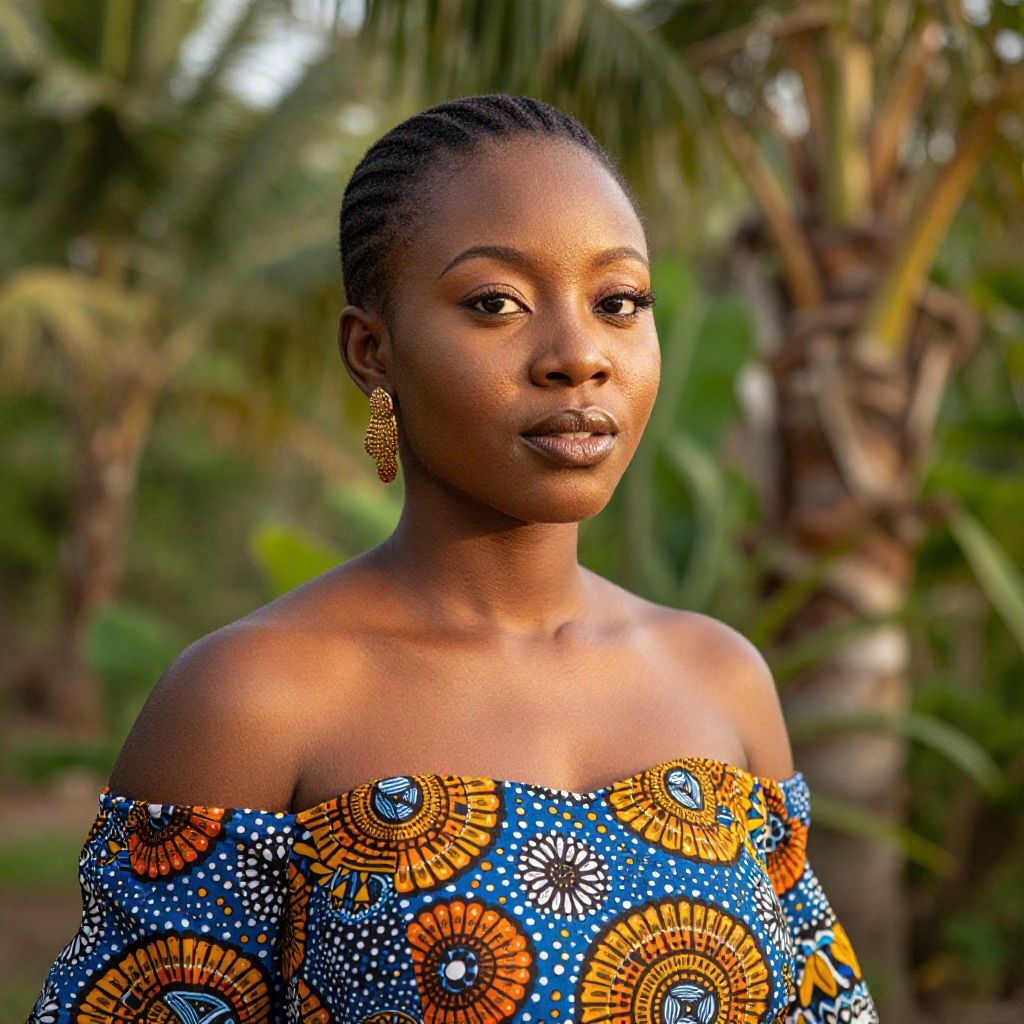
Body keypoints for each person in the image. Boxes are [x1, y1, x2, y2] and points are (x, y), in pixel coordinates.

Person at [27, 93, 879, 1024]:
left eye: (618, 302)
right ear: (372, 351)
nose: (577, 356)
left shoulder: (721, 678)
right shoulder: (254, 700)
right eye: (495, 303)